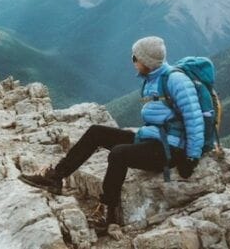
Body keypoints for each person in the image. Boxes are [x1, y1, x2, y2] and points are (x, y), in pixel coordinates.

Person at [18, 36, 204, 237]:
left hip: (171, 150)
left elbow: (195, 119)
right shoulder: (155, 77)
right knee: (96, 132)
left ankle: (108, 213)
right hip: (153, 139)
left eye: (135, 57)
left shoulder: (176, 81)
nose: (133, 61)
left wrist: (192, 157)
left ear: (147, 61)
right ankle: (56, 177)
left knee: (119, 154)